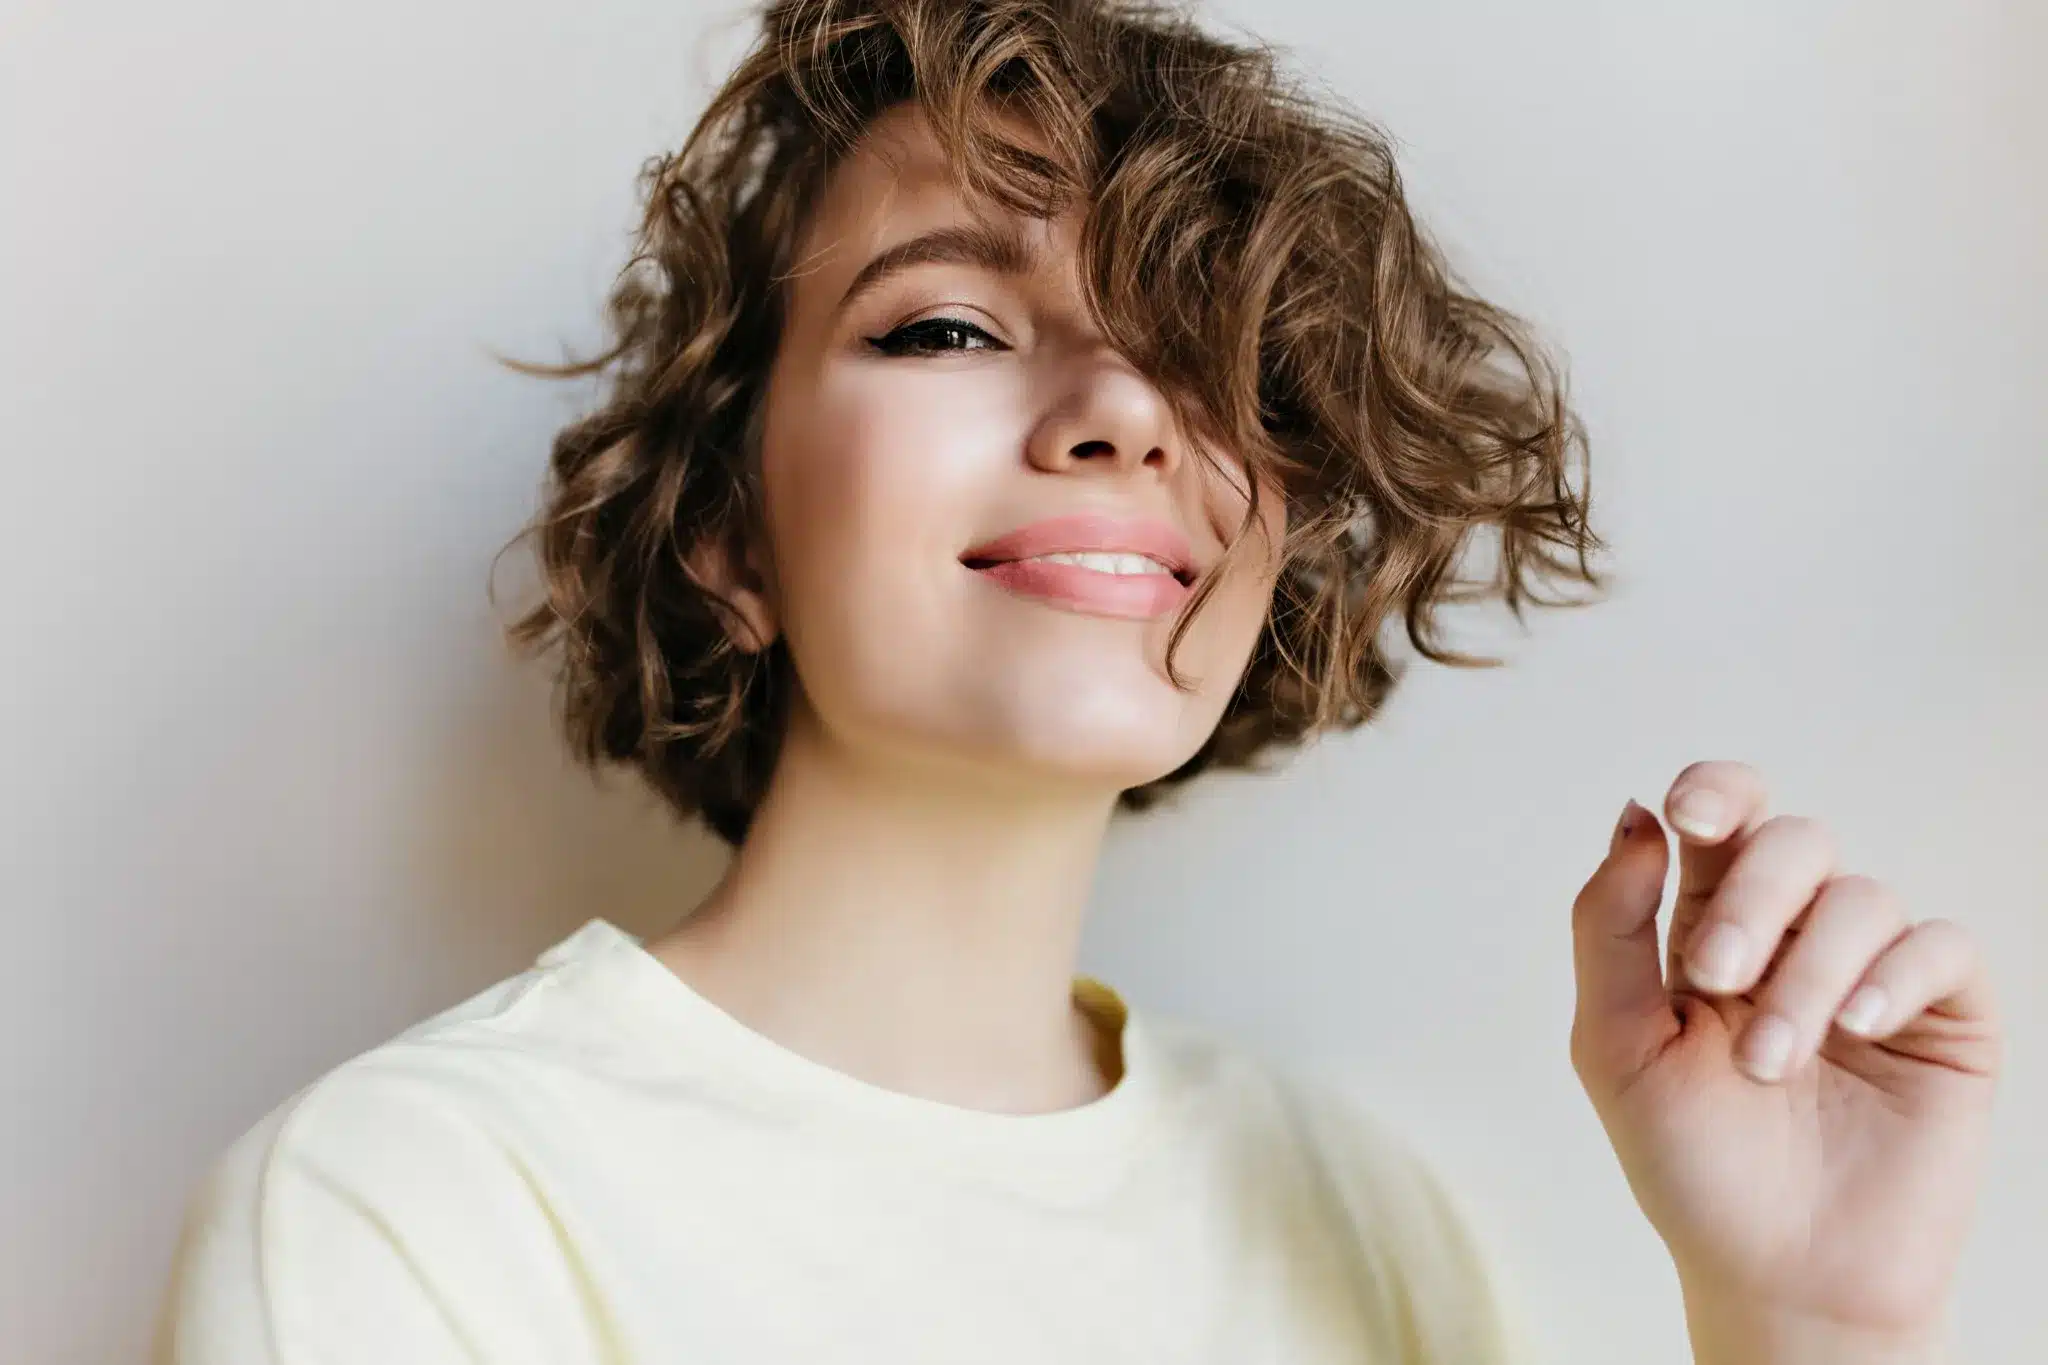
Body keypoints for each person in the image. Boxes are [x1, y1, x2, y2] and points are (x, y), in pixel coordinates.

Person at [154, 2, 2004, 1362]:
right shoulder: (415, 1210)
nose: (1124, 411)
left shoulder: (1370, 1216)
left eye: (1208, 361)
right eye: (946, 324)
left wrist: (1814, 1323)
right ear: (725, 529)